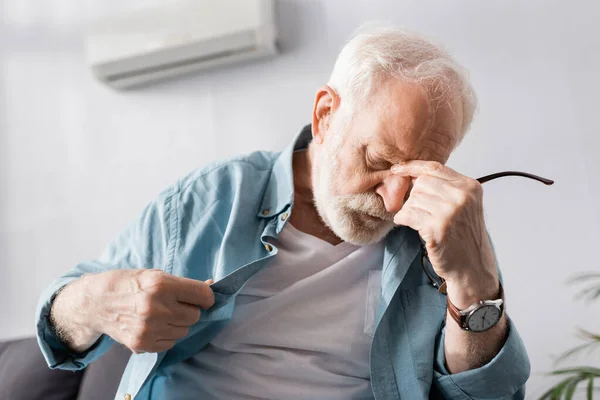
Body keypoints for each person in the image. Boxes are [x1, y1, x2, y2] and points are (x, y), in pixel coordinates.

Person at [36, 25, 530, 400]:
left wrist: (474, 284)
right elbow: (58, 326)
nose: (396, 199)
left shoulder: (445, 233)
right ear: (325, 116)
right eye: (377, 161)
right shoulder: (210, 200)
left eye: (423, 172)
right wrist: (100, 301)